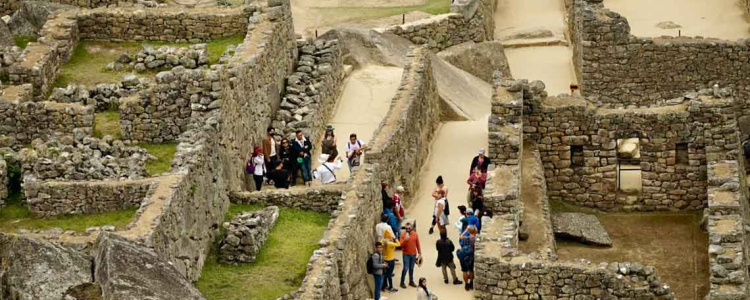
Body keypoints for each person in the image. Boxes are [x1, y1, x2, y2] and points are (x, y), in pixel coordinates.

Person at [399, 223, 421, 289]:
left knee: (411, 268)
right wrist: (405, 240)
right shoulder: (403, 234)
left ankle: (411, 281)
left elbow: (417, 243)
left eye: (409, 228)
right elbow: (401, 245)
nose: (407, 230)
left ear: (412, 228)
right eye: (406, 228)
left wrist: (419, 252)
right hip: (406, 254)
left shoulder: (415, 234)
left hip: (413, 254)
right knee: (405, 268)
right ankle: (402, 282)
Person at [458, 225, 478, 291]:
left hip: (464, 256)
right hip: (471, 256)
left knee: (464, 271)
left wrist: (466, 230)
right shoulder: (475, 239)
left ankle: (466, 284)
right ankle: (471, 283)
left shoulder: (465, 238)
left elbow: (460, 236)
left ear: (469, 231)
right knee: (471, 270)